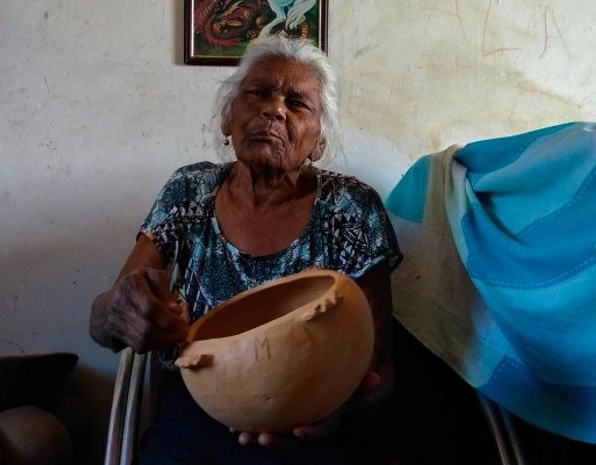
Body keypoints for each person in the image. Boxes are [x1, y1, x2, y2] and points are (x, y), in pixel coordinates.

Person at [89, 35, 402, 464]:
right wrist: (120, 312)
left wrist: (335, 410)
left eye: (297, 103)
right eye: (258, 92)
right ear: (227, 118)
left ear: (319, 143)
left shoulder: (351, 208)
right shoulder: (189, 191)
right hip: (201, 411)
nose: (274, 109)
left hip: (315, 418)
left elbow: (379, 367)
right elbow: (103, 326)